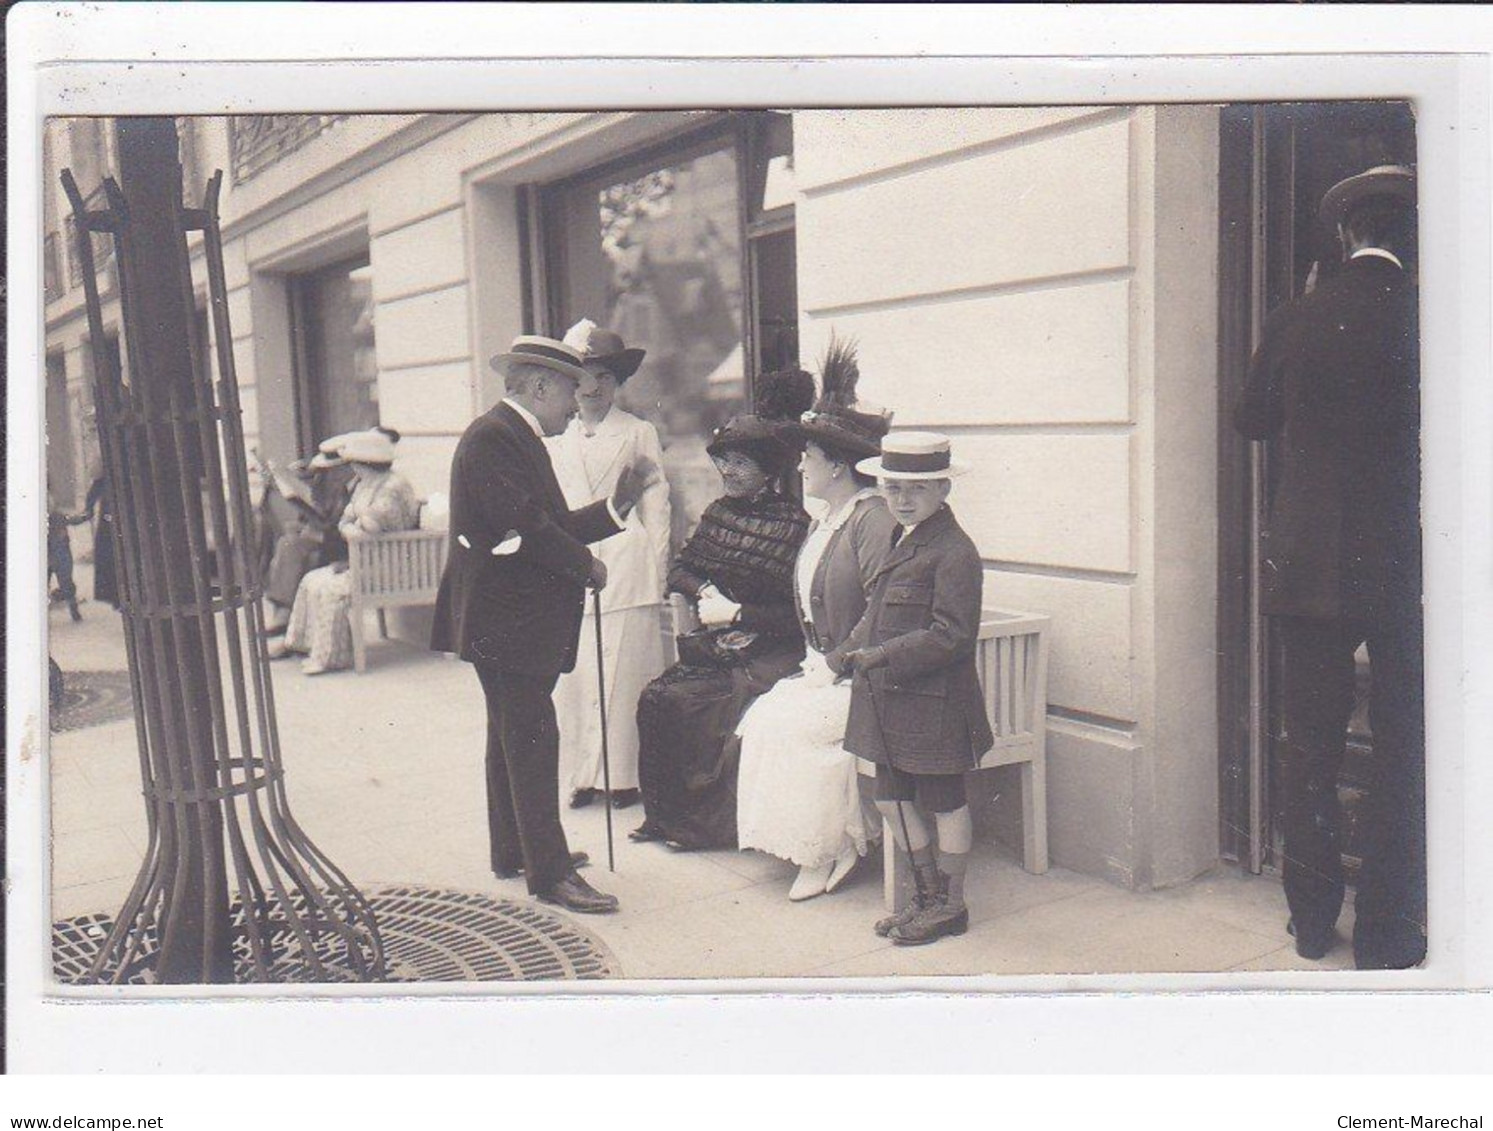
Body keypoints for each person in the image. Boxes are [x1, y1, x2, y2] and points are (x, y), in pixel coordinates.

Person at [1236, 164, 1424, 969]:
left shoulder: (1297, 314)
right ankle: (1387, 932)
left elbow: (1250, 421)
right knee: (1403, 743)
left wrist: (1302, 321)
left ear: (1344, 233)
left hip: (1308, 563)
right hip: (1403, 563)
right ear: (1408, 238)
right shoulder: (1435, 317)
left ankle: (1312, 922)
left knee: (1306, 746)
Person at [430, 335, 653, 915]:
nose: (577, 407)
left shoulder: (512, 436)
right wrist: (587, 565)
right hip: (506, 620)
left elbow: (546, 523)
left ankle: (515, 851)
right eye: (571, 395)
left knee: (509, 734)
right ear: (540, 387)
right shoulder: (495, 437)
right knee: (530, 737)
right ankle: (550, 872)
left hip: (502, 618)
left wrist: (615, 507)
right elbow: (530, 528)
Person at [735, 338, 897, 901]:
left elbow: (886, 608)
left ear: (835, 465)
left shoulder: (871, 520)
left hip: (872, 678)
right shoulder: (827, 518)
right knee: (763, 719)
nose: (800, 464)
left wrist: (836, 662)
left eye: (809, 457)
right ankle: (821, 844)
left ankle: (834, 847)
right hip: (831, 671)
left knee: (793, 728)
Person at [631, 368, 815, 851]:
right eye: (724, 461)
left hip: (772, 653)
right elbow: (681, 569)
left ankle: (703, 828)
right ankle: (664, 818)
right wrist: (708, 591)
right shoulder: (719, 513)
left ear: (769, 470)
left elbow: (797, 615)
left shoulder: (796, 525)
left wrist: (739, 615)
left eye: (740, 463)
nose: (727, 472)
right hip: (718, 643)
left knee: (691, 706)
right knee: (655, 698)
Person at [830, 431, 994, 947]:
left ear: (943, 489)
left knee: (945, 801)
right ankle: (925, 895)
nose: (902, 499)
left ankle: (951, 903)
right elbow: (879, 611)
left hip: (935, 703)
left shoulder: (954, 551)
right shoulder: (905, 539)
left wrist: (879, 657)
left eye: (916, 489)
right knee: (890, 799)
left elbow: (952, 635)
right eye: (892, 487)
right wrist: (844, 653)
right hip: (890, 700)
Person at [547, 319, 671, 812]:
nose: (591, 389)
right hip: (572, 564)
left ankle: (623, 777)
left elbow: (657, 505)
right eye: (581, 378)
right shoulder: (555, 437)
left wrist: (657, 571)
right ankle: (581, 775)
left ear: (617, 383)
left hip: (626, 564)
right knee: (576, 677)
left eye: (603, 378)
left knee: (624, 675)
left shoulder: (639, 432)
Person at [274, 430, 420, 674]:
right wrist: (355, 526)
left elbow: (371, 527)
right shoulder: (368, 485)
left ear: (366, 463)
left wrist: (355, 525)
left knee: (333, 591)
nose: (353, 469)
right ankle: (306, 646)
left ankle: (332, 657)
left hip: (391, 568)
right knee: (312, 581)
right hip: (367, 561)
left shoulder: (393, 486)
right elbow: (347, 523)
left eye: (355, 463)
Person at [261, 435, 358, 635]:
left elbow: (346, 527)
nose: (330, 474)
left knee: (291, 545)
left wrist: (319, 532)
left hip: (345, 546)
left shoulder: (356, 490)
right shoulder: (336, 486)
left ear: (348, 466)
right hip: (330, 539)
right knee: (289, 539)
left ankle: (285, 614)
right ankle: (285, 613)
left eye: (335, 469)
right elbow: (324, 517)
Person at [75, 472, 120, 611]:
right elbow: (91, 498)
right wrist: (87, 512)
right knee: (110, 559)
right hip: (109, 523)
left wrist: (88, 511)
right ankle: (115, 598)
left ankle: (119, 598)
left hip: (118, 522)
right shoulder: (103, 479)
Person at [47, 492, 82, 622]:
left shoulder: (58, 517)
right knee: (66, 584)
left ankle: (73, 610)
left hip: (58, 556)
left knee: (64, 585)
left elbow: (74, 520)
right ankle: (74, 611)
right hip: (59, 557)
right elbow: (74, 520)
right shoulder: (58, 517)